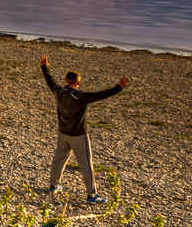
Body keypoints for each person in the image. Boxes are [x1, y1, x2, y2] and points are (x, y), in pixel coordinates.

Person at [39, 55, 129, 205]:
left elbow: (49, 80)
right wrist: (119, 87)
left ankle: (54, 185)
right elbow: (101, 95)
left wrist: (44, 66)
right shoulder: (80, 96)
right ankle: (92, 196)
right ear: (78, 83)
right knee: (86, 165)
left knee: (59, 159)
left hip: (63, 132)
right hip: (79, 135)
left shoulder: (58, 91)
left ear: (67, 81)